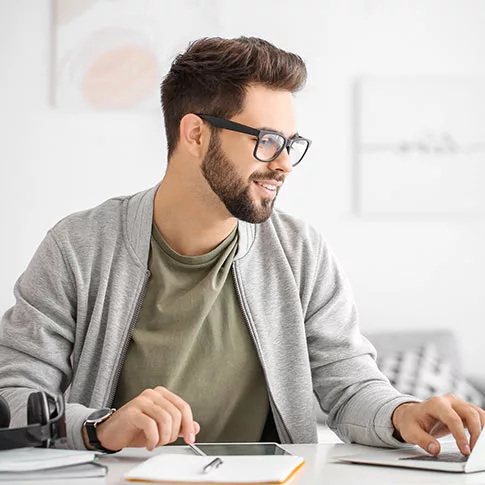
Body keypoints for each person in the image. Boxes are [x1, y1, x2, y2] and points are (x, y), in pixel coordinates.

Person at [0, 37, 483, 456]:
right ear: (195, 133)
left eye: (291, 144)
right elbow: (13, 394)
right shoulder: (78, 247)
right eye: (268, 140)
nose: (285, 165)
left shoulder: (300, 251)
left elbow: (349, 384)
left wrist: (402, 413)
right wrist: (99, 428)